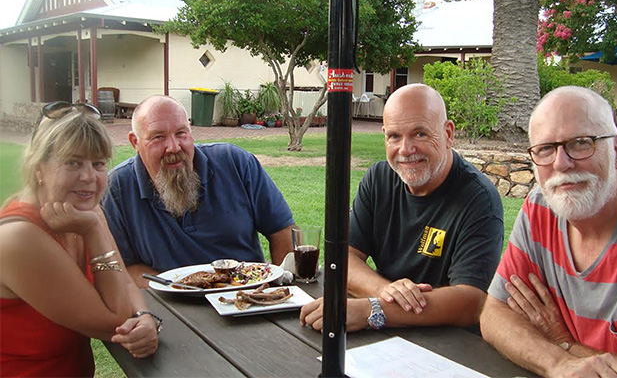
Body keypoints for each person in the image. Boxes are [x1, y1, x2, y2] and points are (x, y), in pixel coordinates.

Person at [300, 84, 503, 332]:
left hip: (448, 340)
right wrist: (384, 292)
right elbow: (344, 258)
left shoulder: (478, 198)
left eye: (419, 134)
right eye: (394, 136)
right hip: (387, 333)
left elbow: (470, 301)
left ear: (448, 133)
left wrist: (371, 310)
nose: (405, 149)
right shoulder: (379, 179)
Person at [480, 86, 617, 377]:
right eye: (546, 148)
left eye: (582, 143)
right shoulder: (540, 207)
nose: (561, 163)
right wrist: (558, 363)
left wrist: (563, 342)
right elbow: (493, 315)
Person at [0, 102, 159, 377]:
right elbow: (115, 321)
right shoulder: (19, 237)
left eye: (98, 164)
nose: (88, 177)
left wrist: (145, 318)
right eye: (73, 162)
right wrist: (94, 231)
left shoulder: (83, 209)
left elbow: (122, 280)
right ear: (39, 168)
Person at [102, 95, 294, 288]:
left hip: (246, 298)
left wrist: (277, 287)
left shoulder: (235, 163)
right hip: (170, 306)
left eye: (181, 133)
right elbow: (124, 267)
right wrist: (174, 289)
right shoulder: (117, 188)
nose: (174, 147)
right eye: (158, 137)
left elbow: (282, 229)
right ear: (135, 142)